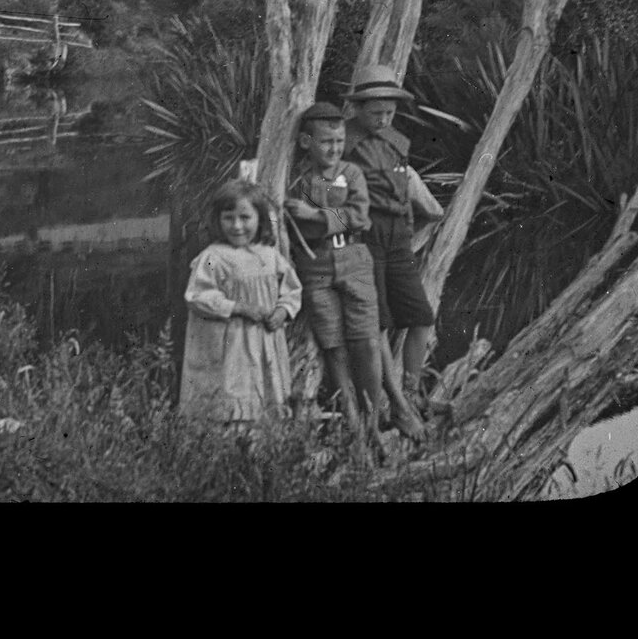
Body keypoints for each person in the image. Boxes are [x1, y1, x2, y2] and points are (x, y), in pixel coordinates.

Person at [282, 101, 393, 444]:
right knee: (334, 346)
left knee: (367, 341)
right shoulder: (297, 179)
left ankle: (373, 423)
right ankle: (354, 424)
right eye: (326, 141)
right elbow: (289, 220)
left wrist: (314, 216)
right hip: (315, 267)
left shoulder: (352, 173)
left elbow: (359, 217)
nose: (334, 148)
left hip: (354, 259)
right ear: (305, 143)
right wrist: (312, 215)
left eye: (339, 141)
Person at [345, 65, 443, 415]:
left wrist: (418, 223)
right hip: (365, 238)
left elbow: (406, 188)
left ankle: (413, 391)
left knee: (420, 317)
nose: (384, 119)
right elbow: (321, 194)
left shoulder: (397, 142)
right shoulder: (342, 144)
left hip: (399, 237)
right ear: (356, 108)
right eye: (376, 113)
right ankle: (391, 404)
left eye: (390, 112)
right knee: (379, 324)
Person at [180, 179, 303, 425]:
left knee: (264, 400)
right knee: (230, 398)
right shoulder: (213, 257)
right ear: (218, 220)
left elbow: (292, 290)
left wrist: (282, 311)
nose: (237, 226)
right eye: (229, 218)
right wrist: (238, 307)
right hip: (231, 346)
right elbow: (197, 296)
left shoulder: (269, 256)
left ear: (260, 218)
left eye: (245, 218)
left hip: (264, 342)